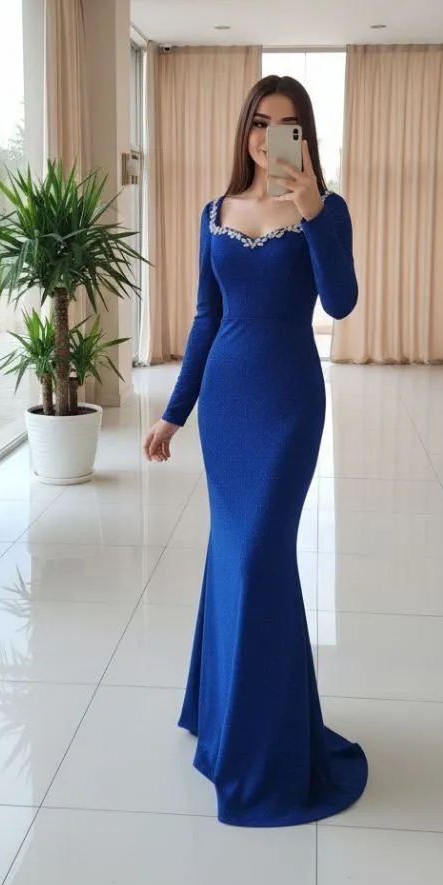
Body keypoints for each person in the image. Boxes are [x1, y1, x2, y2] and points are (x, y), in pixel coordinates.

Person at [143, 75, 368, 827]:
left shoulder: (325, 209)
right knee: (230, 553)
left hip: (289, 403)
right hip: (228, 405)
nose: (272, 136)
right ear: (246, 132)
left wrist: (311, 211)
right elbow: (206, 318)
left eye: (288, 124)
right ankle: (223, 711)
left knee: (258, 558)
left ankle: (263, 748)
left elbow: (340, 302)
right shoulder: (213, 213)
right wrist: (173, 414)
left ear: (304, 137)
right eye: (261, 123)